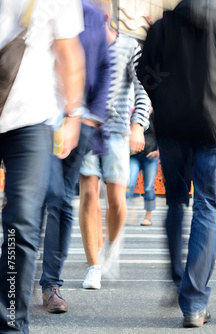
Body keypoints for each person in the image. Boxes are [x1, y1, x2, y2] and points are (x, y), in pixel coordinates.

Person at [137, 0, 216, 328]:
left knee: (176, 203)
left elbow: (144, 73)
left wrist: (166, 98)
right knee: (208, 205)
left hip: (172, 127)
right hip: (215, 123)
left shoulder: (162, 26)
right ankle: (193, 301)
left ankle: (178, 277)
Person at [0, 0, 84, 331]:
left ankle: (10, 323)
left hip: (29, 119)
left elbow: (67, 50)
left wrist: (74, 113)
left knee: (20, 222)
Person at [39, 0, 110, 313]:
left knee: (62, 200)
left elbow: (106, 66)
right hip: (37, 120)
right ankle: (14, 276)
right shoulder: (39, 7)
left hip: (79, 122)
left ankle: (50, 284)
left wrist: (93, 115)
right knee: (41, 199)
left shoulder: (93, 16)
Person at [79, 0, 150, 289]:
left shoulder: (129, 46)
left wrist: (138, 126)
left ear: (105, 16)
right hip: (84, 129)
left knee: (117, 202)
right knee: (88, 195)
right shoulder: (78, 43)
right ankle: (94, 264)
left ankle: (110, 244)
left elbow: (144, 88)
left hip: (119, 132)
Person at [126, 111, 159, 226]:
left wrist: (158, 151)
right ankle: (131, 210)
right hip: (133, 155)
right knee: (128, 184)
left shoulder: (155, 114)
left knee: (149, 187)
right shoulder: (133, 112)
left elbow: (162, 131)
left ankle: (148, 217)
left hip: (150, 156)